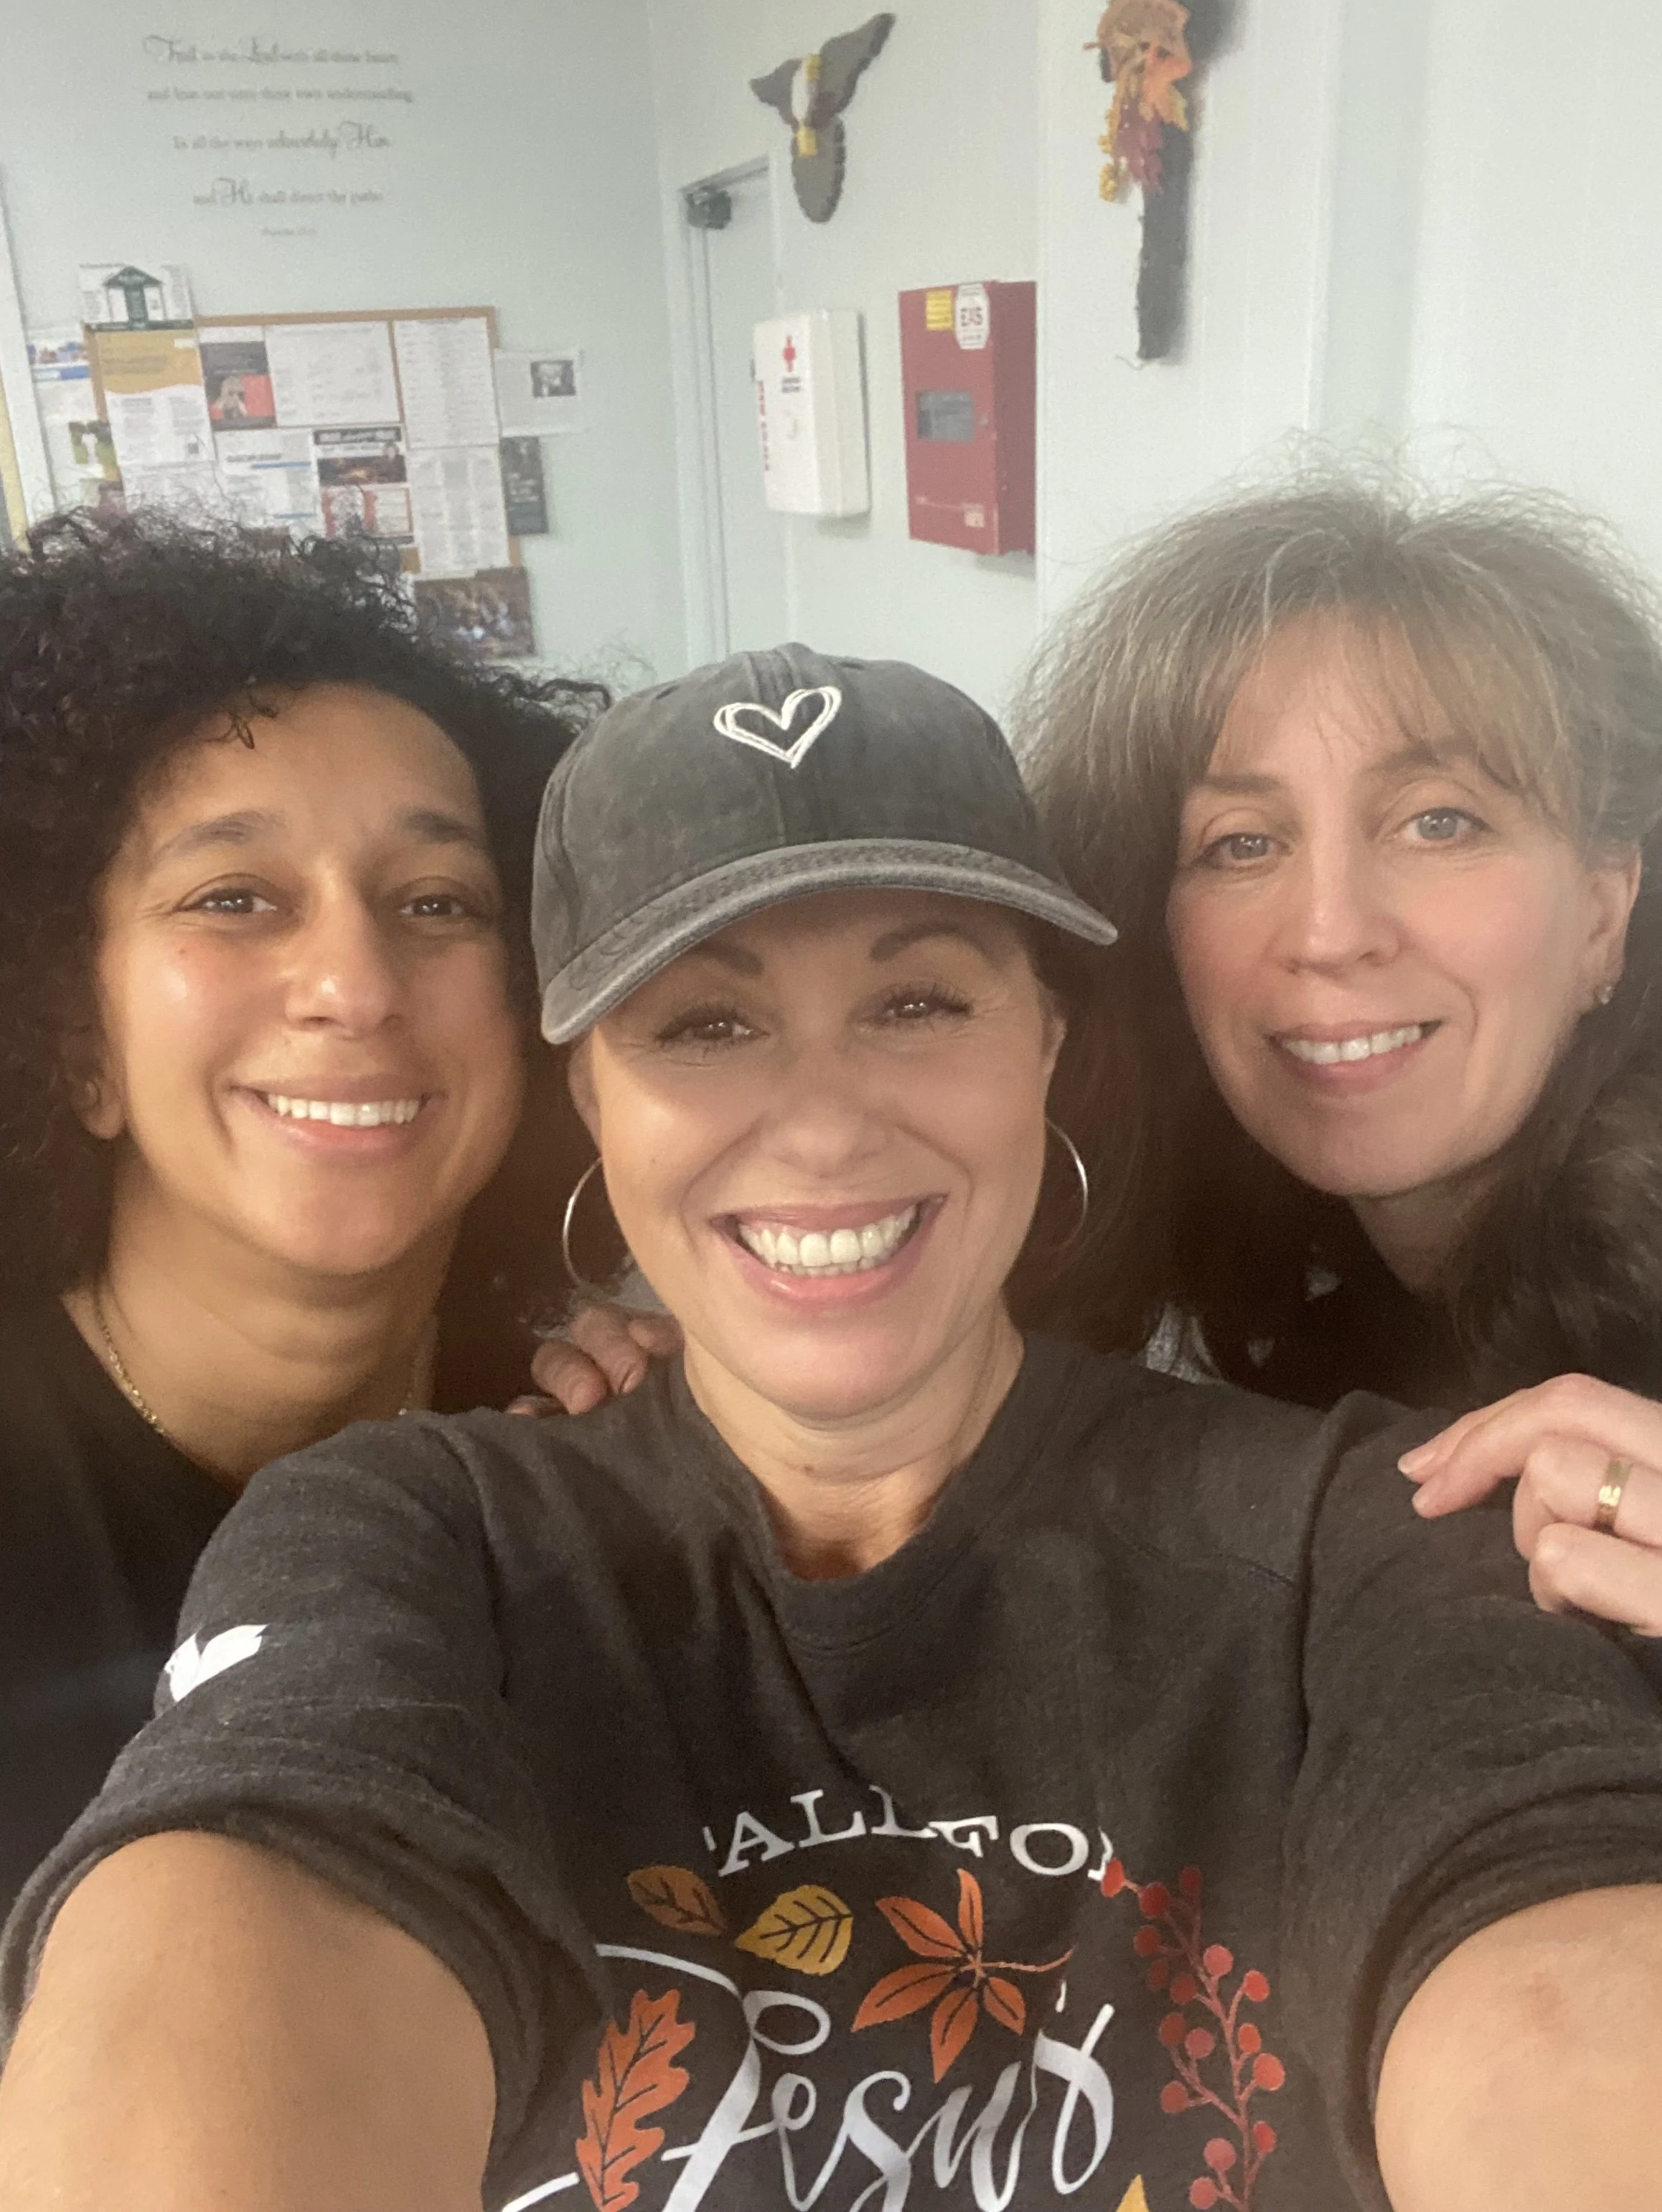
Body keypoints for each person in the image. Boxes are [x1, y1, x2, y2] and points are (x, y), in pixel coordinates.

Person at [4, 644, 1661, 2212]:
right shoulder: (406, 1534)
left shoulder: (1370, 1535)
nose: (821, 1121)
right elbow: (255, 1906)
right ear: (587, 1091)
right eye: (707, 1023)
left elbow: (1557, 1990)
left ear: (1045, 1040)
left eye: (918, 1001)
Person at [0, 510, 601, 1912]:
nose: (356, 985)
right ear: (75, 1041)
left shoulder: (593, 1442)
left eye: (437, 902)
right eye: (235, 896)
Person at [1016, 477, 1662, 1638]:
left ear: (1606, 913)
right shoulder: (1259, 1288)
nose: (1329, 932)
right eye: (1241, 844)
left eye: (1439, 822)